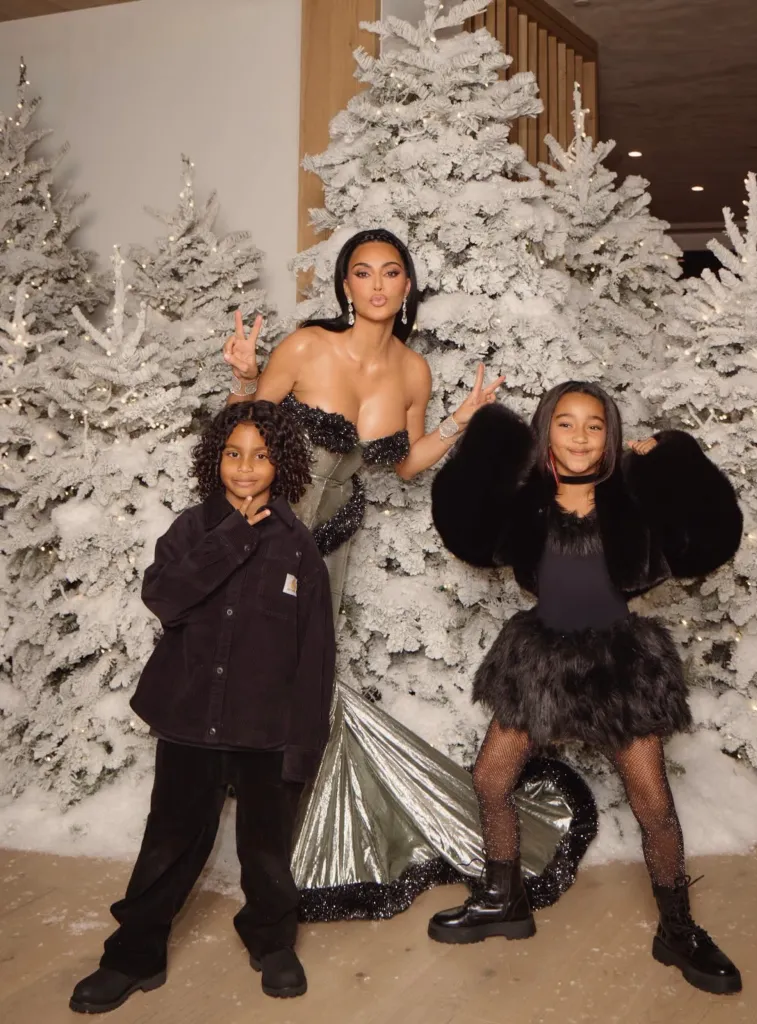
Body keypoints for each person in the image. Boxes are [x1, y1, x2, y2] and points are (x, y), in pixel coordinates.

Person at [221, 229, 595, 920]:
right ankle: (246, 837)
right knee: (245, 677)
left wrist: (461, 419)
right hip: (262, 533)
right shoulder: (306, 346)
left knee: (306, 687)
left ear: (405, 287)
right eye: (362, 273)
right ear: (345, 287)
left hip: (328, 545)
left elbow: (405, 463)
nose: (376, 285)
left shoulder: (412, 372)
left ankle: (295, 849)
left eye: (391, 273)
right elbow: (243, 438)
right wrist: (246, 377)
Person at [427, 382, 744, 996]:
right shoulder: (526, 501)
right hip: (541, 657)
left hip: (617, 664)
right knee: (491, 779)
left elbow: (709, 540)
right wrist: (491, 435)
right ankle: (504, 899)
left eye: (593, 426)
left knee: (652, 802)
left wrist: (673, 458)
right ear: (547, 433)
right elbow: (465, 525)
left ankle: (678, 928)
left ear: (611, 434)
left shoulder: (632, 499)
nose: (579, 437)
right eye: (565, 424)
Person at [69, 401, 334, 1013]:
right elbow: (164, 597)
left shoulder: (298, 547)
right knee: (167, 845)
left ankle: (271, 941)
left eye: (261, 455)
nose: (245, 468)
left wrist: (301, 747)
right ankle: (133, 956)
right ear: (216, 458)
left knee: (266, 851)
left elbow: (314, 655)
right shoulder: (192, 528)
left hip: (266, 731)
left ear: (282, 464)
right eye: (233, 453)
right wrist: (234, 537)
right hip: (190, 723)